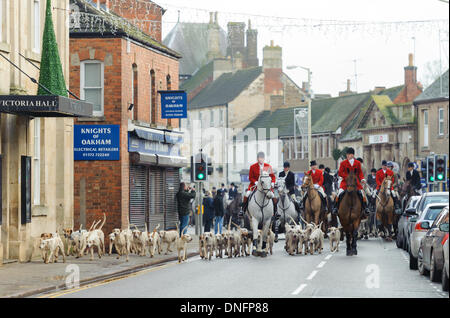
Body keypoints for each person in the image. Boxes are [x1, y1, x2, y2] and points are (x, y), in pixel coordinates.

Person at [332, 147, 370, 216]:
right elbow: (340, 172)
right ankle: (335, 208)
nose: (347, 156)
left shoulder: (358, 163)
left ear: (352, 155)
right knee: (339, 193)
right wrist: (347, 177)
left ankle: (365, 208)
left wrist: (362, 179)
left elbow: (360, 173)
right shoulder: (343, 163)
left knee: (362, 193)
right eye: (347, 154)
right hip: (345, 182)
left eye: (348, 154)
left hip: (356, 183)